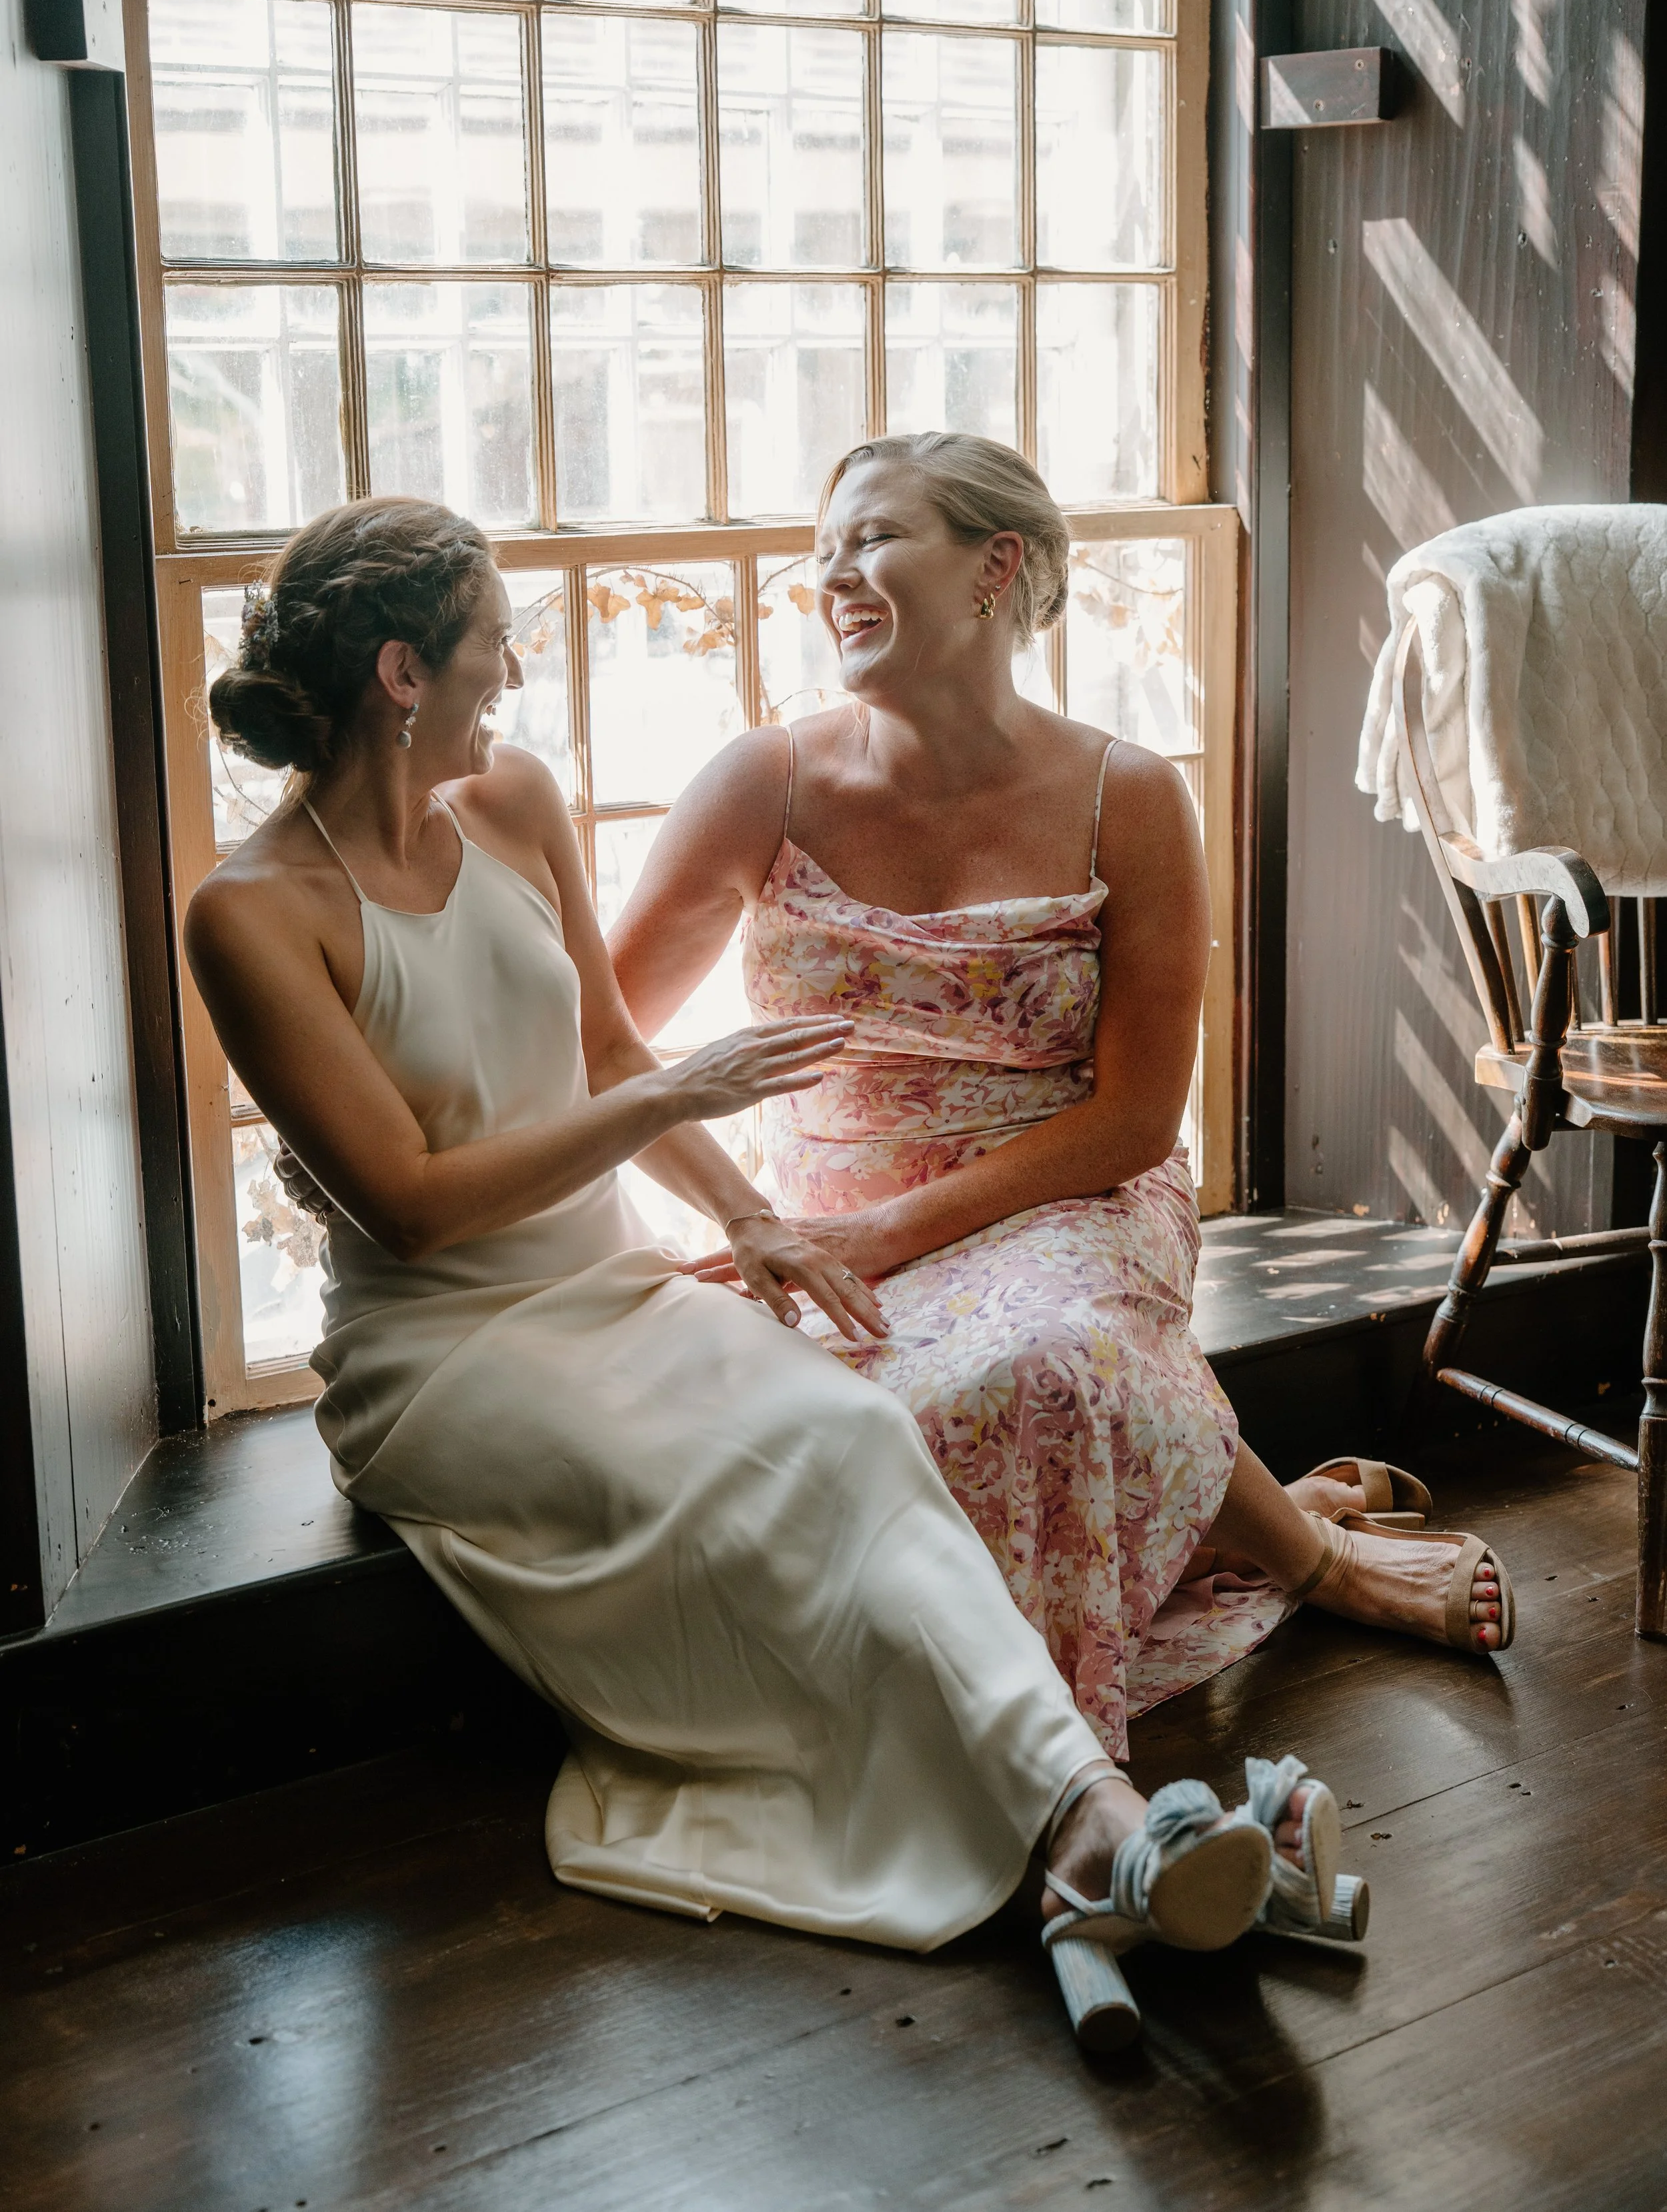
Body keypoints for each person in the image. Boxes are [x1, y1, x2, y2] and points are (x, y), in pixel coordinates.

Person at [183, 493, 1364, 2056]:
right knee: (740, 1506)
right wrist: (672, 1101)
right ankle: (1079, 1848)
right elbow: (410, 1211)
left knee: (853, 1436)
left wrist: (748, 1221)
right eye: (490, 648)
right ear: (403, 675)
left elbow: (606, 1045)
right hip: (446, 1356)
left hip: (611, 1292)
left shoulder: (514, 803)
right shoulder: (251, 912)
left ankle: (1095, 1813)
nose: (514, 678)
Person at [607, 430, 1516, 1767]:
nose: (833, 577)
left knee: (1041, 1361)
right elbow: (606, 1038)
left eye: (872, 539)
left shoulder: (1128, 798)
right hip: (823, 1209)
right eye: (820, 555)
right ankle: (1281, 1529)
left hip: (1067, 1188)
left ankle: (1310, 1576)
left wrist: (886, 1241)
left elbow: (1134, 1121)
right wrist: (747, 1220)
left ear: (997, 565)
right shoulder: (767, 781)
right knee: (881, 1422)